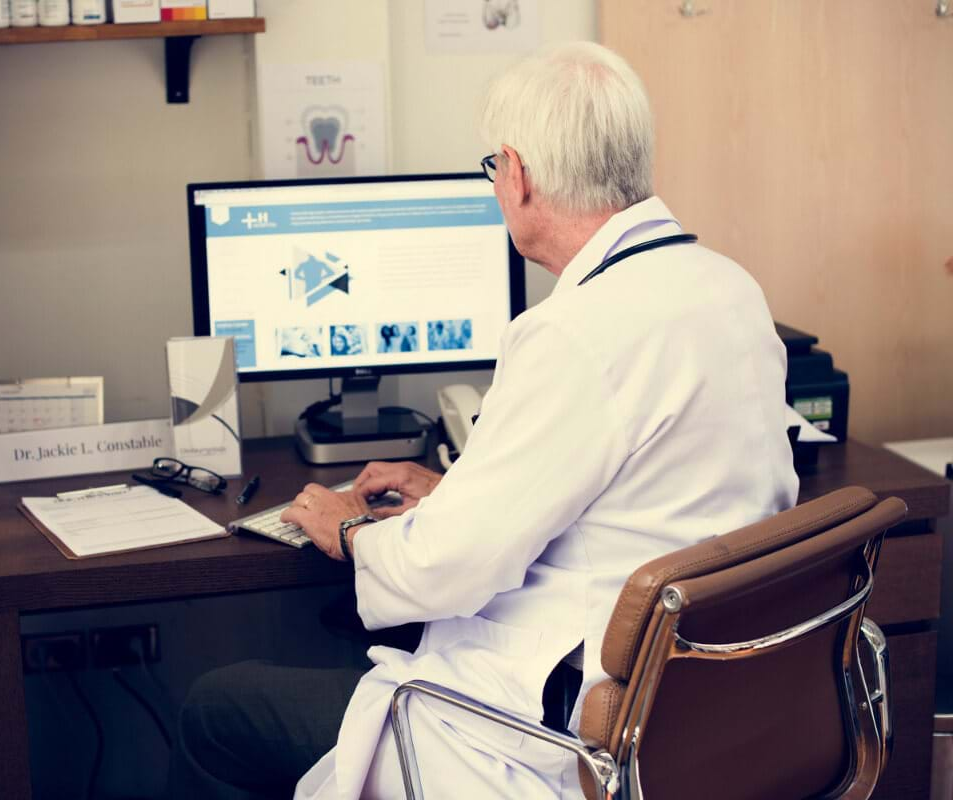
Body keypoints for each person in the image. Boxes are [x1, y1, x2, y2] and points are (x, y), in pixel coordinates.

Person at [173, 41, 798, 799]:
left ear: (517, 172)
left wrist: (347, 528)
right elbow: (640, 502)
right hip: (705, 721)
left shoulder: (574, 331)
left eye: (492, 173)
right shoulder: (726, 288)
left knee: (216, 706)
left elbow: (446, 571)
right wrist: (457, 493)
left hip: (555, 739)